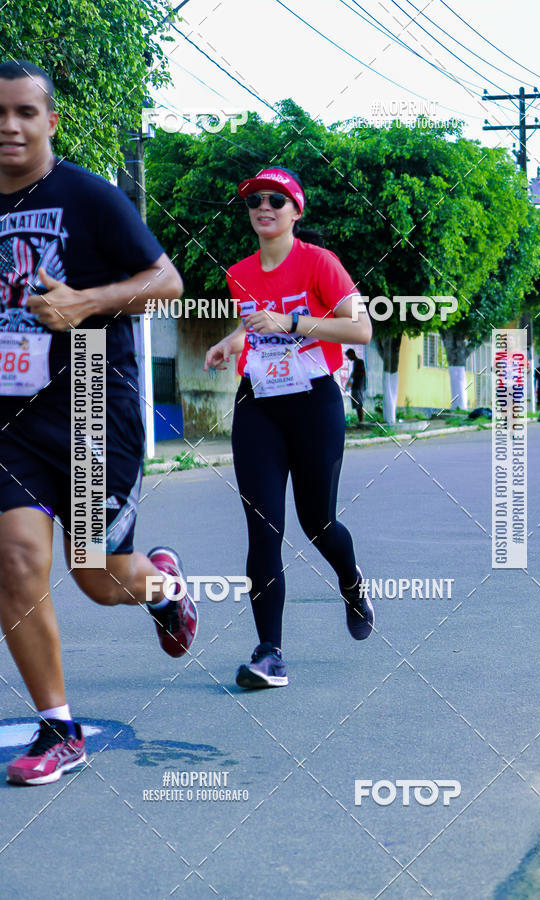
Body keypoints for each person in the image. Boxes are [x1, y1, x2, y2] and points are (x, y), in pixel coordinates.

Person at [0, 61, 198, 785]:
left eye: (25, 112)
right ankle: (59, 729)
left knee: (99, 577)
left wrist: (85, 304)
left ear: (50, 121)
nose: (10, 127)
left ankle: (165, 587)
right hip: (8, 415)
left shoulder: (88, 195)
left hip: (89, 399)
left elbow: (168, 282)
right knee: (17, 560)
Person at [205, 166, 374, 690]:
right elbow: (258, 323)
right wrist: (234, 341)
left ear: (296, 211)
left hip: (313, 405)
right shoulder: (239, 272)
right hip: (259, 403)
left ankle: (351, 583)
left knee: (318, 523)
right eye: (255, 200)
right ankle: (269, 653)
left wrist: (295, 323)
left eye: (277, 200)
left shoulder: (319, 263)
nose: (264, 207)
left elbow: (360, 329)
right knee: (263, 527)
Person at [345, 348, 366, 424]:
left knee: (359, 404)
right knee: (356, 404)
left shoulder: (360, 362)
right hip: (355, 386)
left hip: (358, 386)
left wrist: (354, 375)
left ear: (352, 354)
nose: (349, 358)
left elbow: (362, 373)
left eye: (348, 356)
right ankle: (360, 420)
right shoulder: (355, 363)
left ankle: (361, 421)